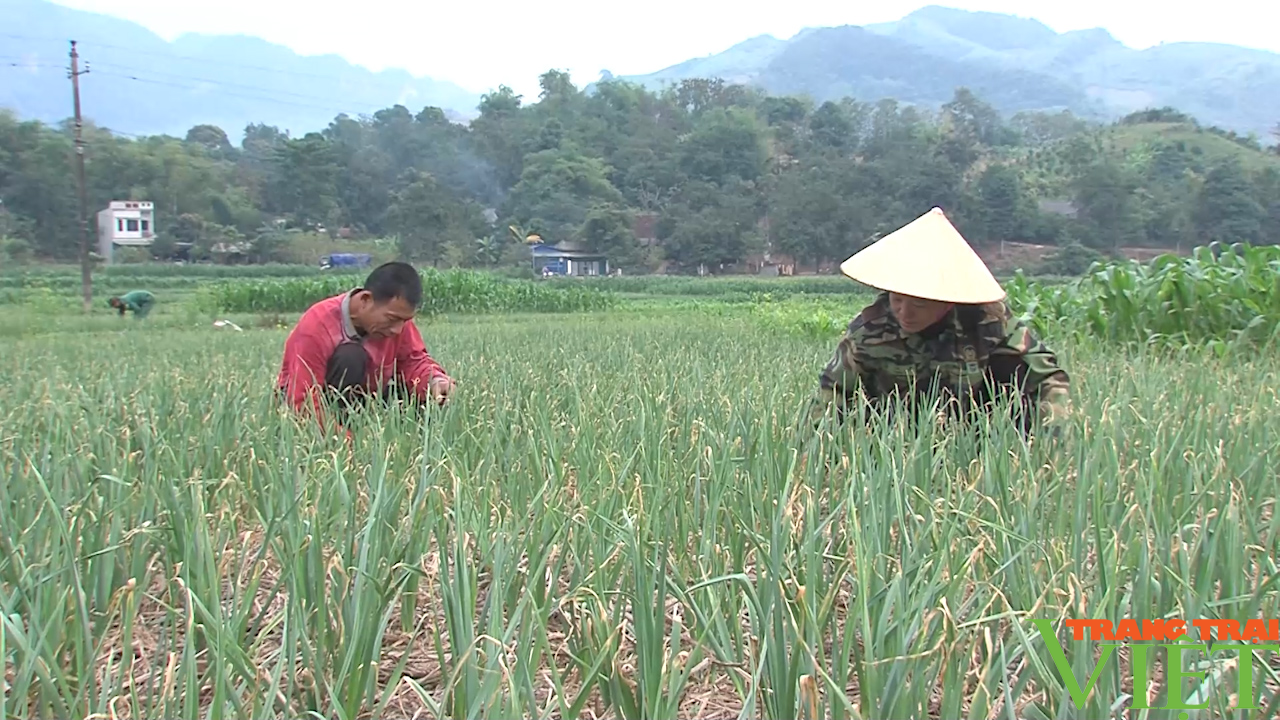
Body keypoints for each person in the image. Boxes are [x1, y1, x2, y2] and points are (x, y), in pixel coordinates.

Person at [805, 207, 1071, 437]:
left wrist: (1052, 445)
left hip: (972, 439)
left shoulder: (988, 321)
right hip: (891, 445)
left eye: (920, 304)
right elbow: (832, 393)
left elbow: (1047, 378)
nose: (905, 313)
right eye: (897, 300)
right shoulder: (869, 331)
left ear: (947, 300)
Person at [276, 261, 456, 431]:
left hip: (368, 397)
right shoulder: (317, 326)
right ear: (365, 300)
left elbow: (413, 361)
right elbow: (302, 399)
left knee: (427, 401)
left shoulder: (397, 322)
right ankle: (344, 429)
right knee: (350, 357)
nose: (398, 329)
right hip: (320, 403)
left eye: (405, 321)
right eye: (392, 319)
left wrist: (434, 380)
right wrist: (345, 443)